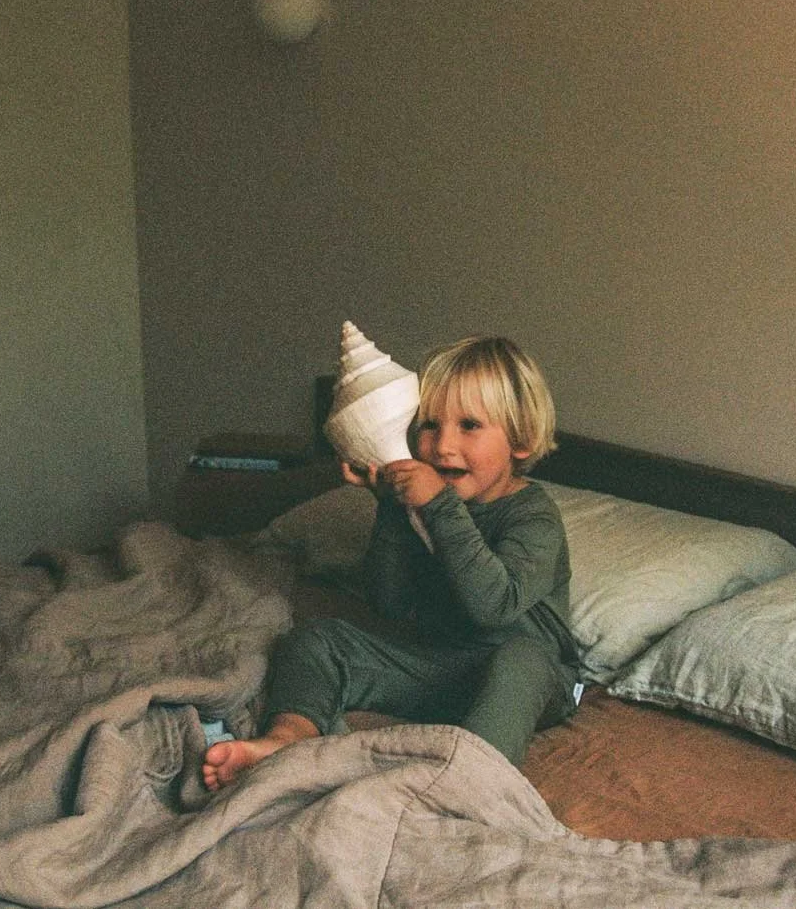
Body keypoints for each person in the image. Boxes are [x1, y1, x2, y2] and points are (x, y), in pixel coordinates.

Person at [202, 335, 579, 791]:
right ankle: (288, 738)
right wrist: (391, 508)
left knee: (521, 660)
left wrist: (438, 505)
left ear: (519, 440)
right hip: (441, 667)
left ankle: (463, 786)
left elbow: (493, 606)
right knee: (320, 638)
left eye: (469, 426)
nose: (442, 446)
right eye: (429, 425)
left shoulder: (533, 515)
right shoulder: (421, 502)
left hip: (526, 681)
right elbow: (390, 604)